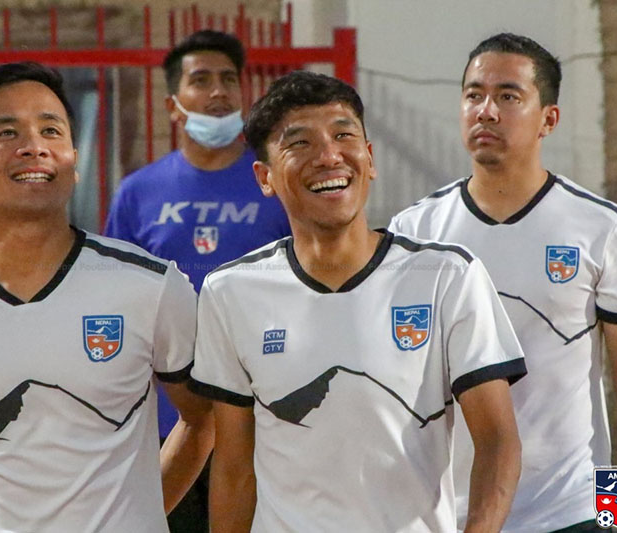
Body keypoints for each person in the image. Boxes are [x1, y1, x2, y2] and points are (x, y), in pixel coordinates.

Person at [191, 70, 526, 532]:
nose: (329, 156)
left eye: (343, 135)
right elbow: (233, 466)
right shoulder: (230, 291)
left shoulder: (446, 276)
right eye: (300, 143)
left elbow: (497, 441)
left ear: (369, 159)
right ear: (265, 177)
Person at [0, 62, 213, 533]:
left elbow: (203, 420)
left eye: (51, 130)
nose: (35, 146)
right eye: (7, 131)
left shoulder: (150, 285)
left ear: (73, 160)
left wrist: (141, 513)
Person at [390, 33, 617, 532]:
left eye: (508, 96)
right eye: (473, 94)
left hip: (573, 508)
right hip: (451, 511)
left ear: (548, 119)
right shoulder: (414, 231)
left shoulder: (601, 226)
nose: (486, 110)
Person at [103, 30, 290, 531]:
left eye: (229, 79)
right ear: (173, 104)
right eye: (201, 79)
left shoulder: (275, 182)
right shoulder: (138, 193)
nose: (218, 92)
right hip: (171, 424)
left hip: (265, 418)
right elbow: (114, 299)